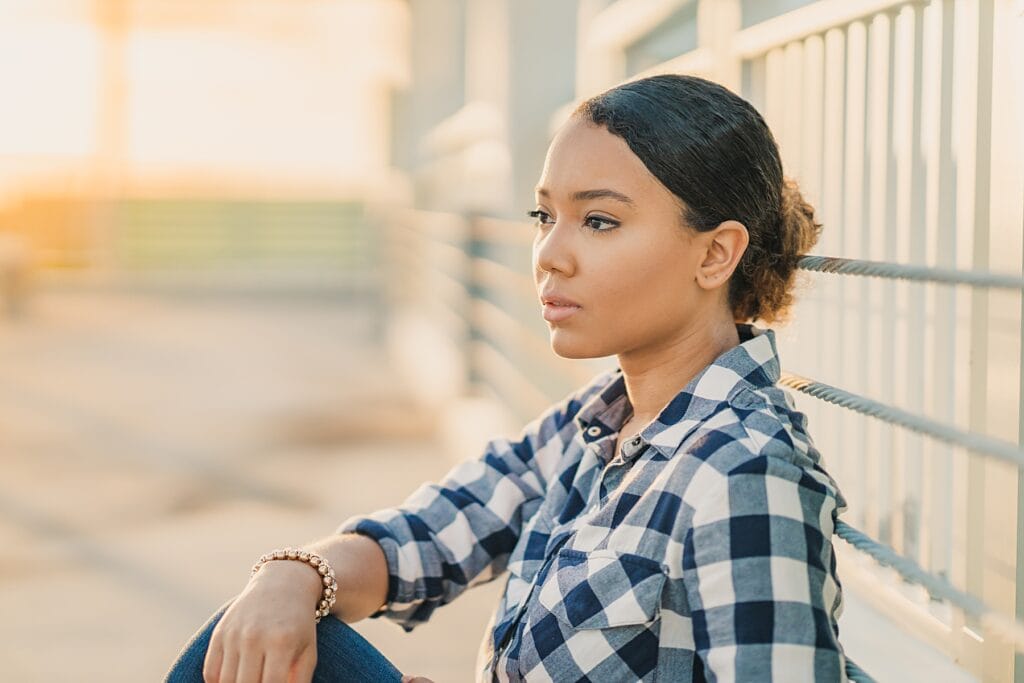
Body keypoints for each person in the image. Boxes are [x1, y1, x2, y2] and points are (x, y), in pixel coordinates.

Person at [166, 73, 849, 682]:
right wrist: (292, 573)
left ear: (715, 254)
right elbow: (420, 540)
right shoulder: (598, 423)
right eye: (545, 216)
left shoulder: (747, 474)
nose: (550, 254)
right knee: (259, 630)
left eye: (600, 221)